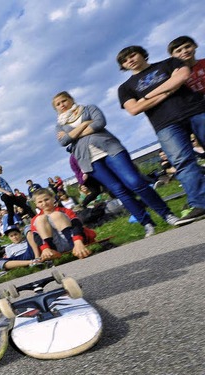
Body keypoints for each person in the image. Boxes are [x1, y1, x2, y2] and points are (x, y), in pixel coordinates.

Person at [54, 91, 182, 236]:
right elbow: (63, 142)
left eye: (64, 100)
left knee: (135, 182)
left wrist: (73, 135)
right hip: (89, 160)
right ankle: (146, 223)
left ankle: (167, 215)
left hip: (110, 149)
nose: (62, 105)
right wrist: (85, 124)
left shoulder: (89, 109)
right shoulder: (60, 126)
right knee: (119, 190)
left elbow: (99, 123)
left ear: (71, 99)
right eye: (58, 104)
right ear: (56, 109)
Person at [116, 45, 205, 223]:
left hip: (195, 110)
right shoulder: (125, 88)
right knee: (182, 162)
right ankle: (201, 204)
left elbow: (183, 76)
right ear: (124, 66)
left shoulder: (169, 63)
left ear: (142, 54)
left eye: (132, 55)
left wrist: (146, 97)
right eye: (125, 60)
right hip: (165, 124)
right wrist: (170, 88)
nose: (130, 60)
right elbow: (133, 109)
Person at [30, 188, 95, 261]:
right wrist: (45, 249)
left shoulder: (64, 211)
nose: (44, 203)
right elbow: (37, 236)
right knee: (40, 219)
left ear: (53, 198)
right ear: (36, 204)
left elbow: (76, 225)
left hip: (74, 239)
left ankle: (76, 247)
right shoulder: (35, 219)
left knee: (56, 215)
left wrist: (78, 241)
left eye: (46, 199)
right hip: (56, 245)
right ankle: (51, 251)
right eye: (40, 202)